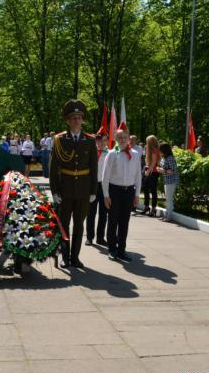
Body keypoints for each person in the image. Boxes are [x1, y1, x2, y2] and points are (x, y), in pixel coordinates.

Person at [50, 99, 97, 269]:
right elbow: (54, 168)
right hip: (66, 189)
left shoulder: (90, 140)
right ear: (68, 121)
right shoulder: (59, 140)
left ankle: (75, 257)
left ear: (82, 119)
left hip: (84, 190)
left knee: (79, 224)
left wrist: (93, 190)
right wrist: (54, 191)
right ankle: (65, 258)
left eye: (79, 117)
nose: (76, 120)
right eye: (73, 117)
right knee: (63, 225)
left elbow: (94, 167)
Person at [102, 128, 142, 262]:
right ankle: (112, 249)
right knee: (113, 220)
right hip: (114, 191)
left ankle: (121, 250)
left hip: (129, 191)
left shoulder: (136, 154)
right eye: (120, 138)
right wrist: (106, 195)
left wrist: (137, 194)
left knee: (124, 222)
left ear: (129, 138)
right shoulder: (112, 154)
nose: (123, 140)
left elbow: (138, 175)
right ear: (116, 139)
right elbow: (105, 176)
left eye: (125, 137)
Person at [86, 133, 109, 246]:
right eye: (98, 140)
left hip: (105, 186)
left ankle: (100, 238)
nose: (100, 143)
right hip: (92, 186)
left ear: (106, 142)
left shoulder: (110, 154)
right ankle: (89, 237)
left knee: (103, 213)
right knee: (91, 213)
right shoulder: (90, 152)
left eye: (103, 140)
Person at [158, 142, 179, 222]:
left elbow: (173, 171)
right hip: (167, 180)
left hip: (171, 181)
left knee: (169, 199)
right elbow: (165, 169)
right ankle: (167, 215)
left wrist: (163, 170)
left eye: (161, 150)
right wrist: (161, 170)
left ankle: (169, 216)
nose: (159, 151)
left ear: (164, 150)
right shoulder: (165, 158)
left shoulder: (170, 158)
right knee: (167, 199)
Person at [142, 135, 161, 216]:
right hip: (150, 170)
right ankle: (146, 207)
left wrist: (148, 171)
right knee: (146, 189)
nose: (146, 143)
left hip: (153, 172)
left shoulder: (154, 150)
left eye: (147, 141)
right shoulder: (150, 149)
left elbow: (153, 163)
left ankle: (153, 208)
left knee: (153, 191)